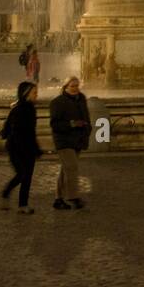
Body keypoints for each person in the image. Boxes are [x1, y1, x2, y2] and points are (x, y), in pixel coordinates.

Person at [49, 77, 91, 210]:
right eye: (72, 86)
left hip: (77, 140)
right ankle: (74, 197)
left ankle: (58, 199)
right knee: (72, 167)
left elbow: (86, 116)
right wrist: (72, 124)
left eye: (77, 86)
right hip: (64, 140)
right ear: (65, 87)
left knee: (65, 170)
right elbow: (54, 124)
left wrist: (87, 128)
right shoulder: (57, 102)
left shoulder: (82, 99)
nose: (75, 88)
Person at [0, 81, 42, 214]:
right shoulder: (18, 109)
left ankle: (23, 205)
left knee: (27, 176)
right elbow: (14, 130)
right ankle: (6, 193)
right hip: (16, 148)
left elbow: (31, 131)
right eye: (34, 92)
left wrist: (35, 148)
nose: (37, 95)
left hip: (28, 147)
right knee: (22, 174)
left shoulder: (30, 109)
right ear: (26, 94)